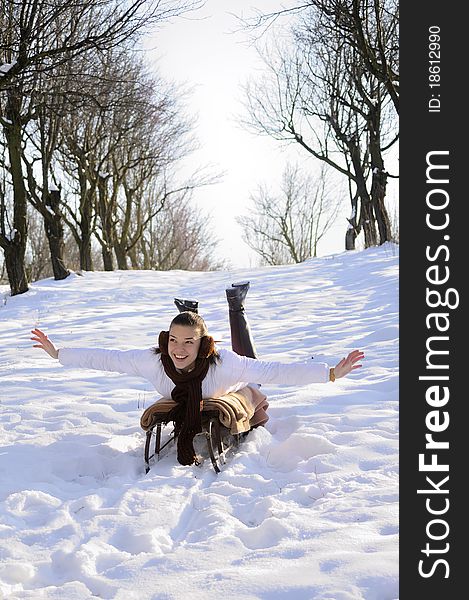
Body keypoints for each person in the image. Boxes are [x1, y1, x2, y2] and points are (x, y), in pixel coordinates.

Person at [31, 282, 364, 466]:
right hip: (202, 376)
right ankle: (189, 313)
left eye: (188, 343)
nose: (178, 349)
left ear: (202, 345)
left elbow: (277, 371)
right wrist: (59, 353)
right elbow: (109, 359)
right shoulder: (154, 360)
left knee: (254, 369)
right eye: (174, 340)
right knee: (185, 338)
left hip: (237, 380)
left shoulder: (225, 365)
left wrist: (331, 373)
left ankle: (236, 307)